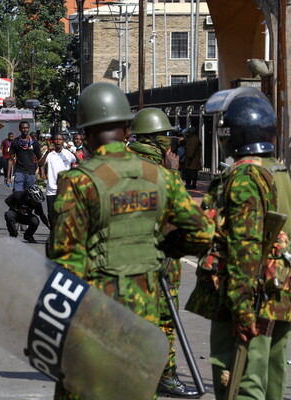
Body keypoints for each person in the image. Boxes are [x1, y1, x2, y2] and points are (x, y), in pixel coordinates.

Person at [47, 82, 214, 400]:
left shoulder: (79, 182)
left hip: (94, 315)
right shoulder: (161, 177)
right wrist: (161, 249)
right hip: (146, 313)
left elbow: (66, 263)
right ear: (127, 129)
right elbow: (201, 232)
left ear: (88, 133)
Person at [186, 88, 291, 400]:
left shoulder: (245, 176)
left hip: (250, 297)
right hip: (279, 294)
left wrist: (242, 310)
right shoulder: (280, 173)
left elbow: (245, 247)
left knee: (242, 384)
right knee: (271, 378)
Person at [128, 107, 198, 398]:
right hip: (157, 255)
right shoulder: (154, 168)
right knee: (163, 318)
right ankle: (162, 375)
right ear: (154, 139)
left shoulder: (124, 162)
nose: (170, 140)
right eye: (165, 135)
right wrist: (173, 173)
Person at [38, 132, 77, 225]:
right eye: (56, 139)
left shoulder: (67, 153)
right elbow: (40, 164)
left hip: (65, 189)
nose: (57, 141)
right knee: (51, 214)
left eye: (60, 139)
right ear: (53, 141)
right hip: (51, 189)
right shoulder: (50, 154)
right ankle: (53, 232)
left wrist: (72, 150)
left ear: (63, 141)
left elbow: (79, 161)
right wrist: (47, 152)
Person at [6, 121, 41, 191]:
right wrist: (8, 177)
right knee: (17, 194)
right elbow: (10, 160)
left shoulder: (34, 143)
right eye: (23, 128)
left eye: (27, 128)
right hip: (19, 172)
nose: (25, 130)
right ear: (20, 129)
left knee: (29, 195)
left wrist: (42, 173)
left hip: (31, 172)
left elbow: (40, 159)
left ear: (29, 129)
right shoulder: (15, 142)